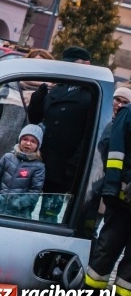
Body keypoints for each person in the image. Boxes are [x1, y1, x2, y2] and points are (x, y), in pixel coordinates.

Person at [77, 85, 131, 296]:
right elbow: (115, 153)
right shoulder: (128, 114)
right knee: (106, 248)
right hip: (122, 200)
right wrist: (111, 187)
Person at [28, 46, 93, 222]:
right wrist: (38, 98)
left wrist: (73, 165)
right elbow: (35, 119)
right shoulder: (58, 87)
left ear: (86, 64)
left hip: (63, 166)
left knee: (48, 216)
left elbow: (89, 134)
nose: (69, 68)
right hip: (41, 159)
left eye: (74, 64)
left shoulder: (91, 93)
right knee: (24, 208)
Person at [0, 48, 54, 162]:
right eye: (33, 64)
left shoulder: (51, 94)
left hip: (27, 161)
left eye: (41, 65)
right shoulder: (11, 86)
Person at [0, 124, 45, 218]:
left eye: (33, 141)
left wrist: (20, 202)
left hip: (19, 213)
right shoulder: (7, 157)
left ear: (38, 145)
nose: (28, 143)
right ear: (20, 140)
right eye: (25, 139)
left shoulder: (39, 166)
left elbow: (35, 191)